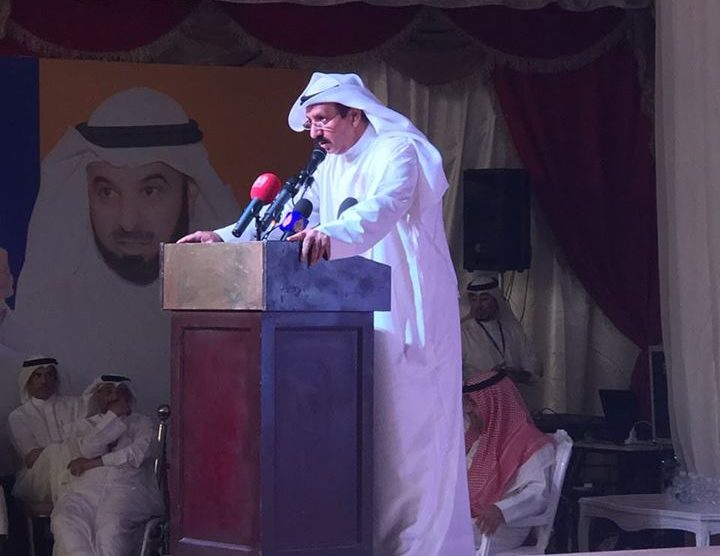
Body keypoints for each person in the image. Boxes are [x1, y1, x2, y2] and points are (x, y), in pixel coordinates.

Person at [180, 72, 474, 556]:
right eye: (310, 122)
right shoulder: (327, 164)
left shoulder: (397, 150)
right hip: (352, 319)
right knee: (367, 439)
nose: (314, 132)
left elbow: (384, 206)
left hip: (407, 308)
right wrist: (225, 237)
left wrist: (331, 235)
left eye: (322, 119)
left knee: (412, 438)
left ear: (355, 114)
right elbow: (288, 215)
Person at [0, 87, 239, 416]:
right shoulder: (46, 319)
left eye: (151, 191)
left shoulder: (227, 323)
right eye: (107, 193)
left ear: (191, 193)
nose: (128, 221)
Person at [51, 374, 163, 556]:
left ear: (129, 396)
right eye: (108, 392)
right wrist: (112, 417)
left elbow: (139, 453)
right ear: (97, 396)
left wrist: (95, 463)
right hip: (85, 490)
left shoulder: (142, 423)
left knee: (110, 532)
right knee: (65, 521)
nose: (115, 397)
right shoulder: (82, 426)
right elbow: (89, 449)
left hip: (127, 488)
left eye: (120, 392)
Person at [463, 369, 555, 554]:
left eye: (474, 403)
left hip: (502, 527)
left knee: (432, 536)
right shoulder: (475, 439)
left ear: (495, 403)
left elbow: (538, 494)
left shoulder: (528, 441)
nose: (468, 410)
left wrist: (501, 510)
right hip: (469, 519)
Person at [8, 356, 84, 505]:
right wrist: (65, 450)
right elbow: (31, 458)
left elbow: (89, 440)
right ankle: (68, 506)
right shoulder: (18, 416)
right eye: (38, 376)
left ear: (56, 379)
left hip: (80, 466)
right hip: (37, 478)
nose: (44, 381)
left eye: (49, 374)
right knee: (55, 452)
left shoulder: (76, 405)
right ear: (28, 380)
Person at [461, 274, 540, 384]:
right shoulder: (462, 333)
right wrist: (490, 376)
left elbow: (534, 369)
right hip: (476, 394)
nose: (478, 305)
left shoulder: (513, 331)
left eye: (484, 299)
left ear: (496, 300)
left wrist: (516, 375)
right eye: (474, 300)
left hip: (512, 392)